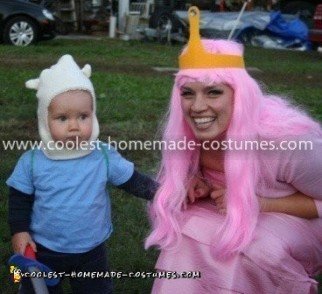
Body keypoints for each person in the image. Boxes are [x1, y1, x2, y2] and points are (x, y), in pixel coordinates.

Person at [145, 7, 322, 293]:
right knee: (184, 237)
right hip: (229, 213)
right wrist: (193, 182)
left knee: (254, 248)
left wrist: (260, 204)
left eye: (214, 91)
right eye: (188, 93)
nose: (197, 107)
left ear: (240, 95)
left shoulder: (284, 142)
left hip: (298, 217)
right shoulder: (190, 137)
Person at [7, 55, 157, 294]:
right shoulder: (33, 161)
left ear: (93, 115)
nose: (74, 126)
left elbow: (133, 181)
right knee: (37, 289)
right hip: (44, 249)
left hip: (91, 251)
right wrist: (20, 230)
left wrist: (161, 193)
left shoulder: (103, 156)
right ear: (44, 120)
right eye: (62, 118)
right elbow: (19, 199)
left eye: (83, 117)